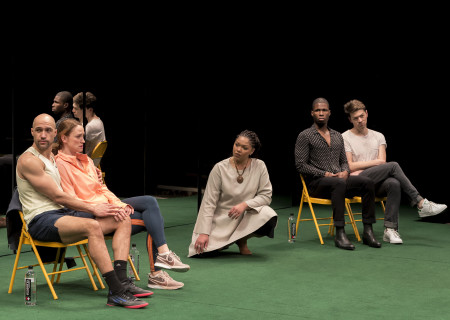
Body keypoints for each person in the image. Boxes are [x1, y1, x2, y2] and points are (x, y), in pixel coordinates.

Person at [16, 113, 151, 309]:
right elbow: (58, 197)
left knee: (121, 218)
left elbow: (73, 166)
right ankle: (116, 292)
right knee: (92, 226)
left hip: (62, 216)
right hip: (41, 220)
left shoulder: (52, 158)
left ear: (55, 133)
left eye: (47, 130)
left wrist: (92, 172)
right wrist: (94, 207)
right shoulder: (29, 160)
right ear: (32, 132)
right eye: (38, 130)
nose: (43, 135)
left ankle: (123, 282)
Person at [54, 118, 190, 290]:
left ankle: (163, 255)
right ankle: (156, 273)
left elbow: (102, 189)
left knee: (149, 202)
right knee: (152, 220)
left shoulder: (87, 160)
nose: (83, 141)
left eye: (83, 136)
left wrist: (119, 205)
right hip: (94, 214)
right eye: (78, 137)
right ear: (64, 138)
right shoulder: (60, 164)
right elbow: (72, 199)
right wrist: (107, 209)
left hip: (108, 206)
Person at [342, 99, 447, 244]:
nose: (360, 120)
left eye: (362, 116)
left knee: (393, 183)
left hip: (375, 183)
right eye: (355, 118)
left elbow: (382, 162)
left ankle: (390, 230)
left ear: (367, 113)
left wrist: (374, 165)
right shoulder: (345, 137)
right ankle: (421, 203)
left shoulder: (378, 136)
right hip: (358, 182)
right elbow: (350, 166)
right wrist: (377, 164)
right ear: (350, 119)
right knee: (393, 166)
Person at [294, 97, 382, 250]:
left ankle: (368, 231)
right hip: (317, 184)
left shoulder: (337, 136)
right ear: (312, 113)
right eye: (317, 110)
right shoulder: (305, 135)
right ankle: (340, 233)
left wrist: (346, 172)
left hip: (339, 182)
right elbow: (300, 165)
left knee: (367, 182)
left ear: (329, 113)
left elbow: (344, 161)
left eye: (324, 110)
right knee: (338, 183)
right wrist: (324, 174)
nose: (321, 113)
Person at [188, 130, 278, 257]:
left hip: (245, 216)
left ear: (251, 151)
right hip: (222, 219)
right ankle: (224, 242)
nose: (238, 149)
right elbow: (209, 202)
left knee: (268, 215)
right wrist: (204, 233)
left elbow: (266, 196)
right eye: (237, 145)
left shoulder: (260, 166)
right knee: (201, 252)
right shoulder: (219, 168)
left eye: (244, 147)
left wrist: (245, 205)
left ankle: (242, 240)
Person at [72, 92, 106, 159]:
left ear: (90, 110)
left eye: (76, 108)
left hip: (86, 161)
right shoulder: (98, 121)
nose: (73, 111)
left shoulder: (92, 126)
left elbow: (73, 141)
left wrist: (81, 118)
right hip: (89, 160)